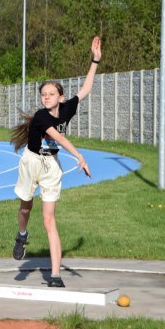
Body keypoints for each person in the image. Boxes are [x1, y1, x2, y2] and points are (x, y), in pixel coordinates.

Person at [9, 36, 101, 288]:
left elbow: (85, 89)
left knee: (49, 219)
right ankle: (22, 235)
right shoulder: (40, 116)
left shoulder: (67, 107)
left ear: (60, 97)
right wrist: (80, 156)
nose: (46, 97)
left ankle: (56, 275)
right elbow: (57, 136)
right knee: (26, 208)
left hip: (52, 167)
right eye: (43, 94)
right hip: (32, 162)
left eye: (51, 94)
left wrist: (95, 60)